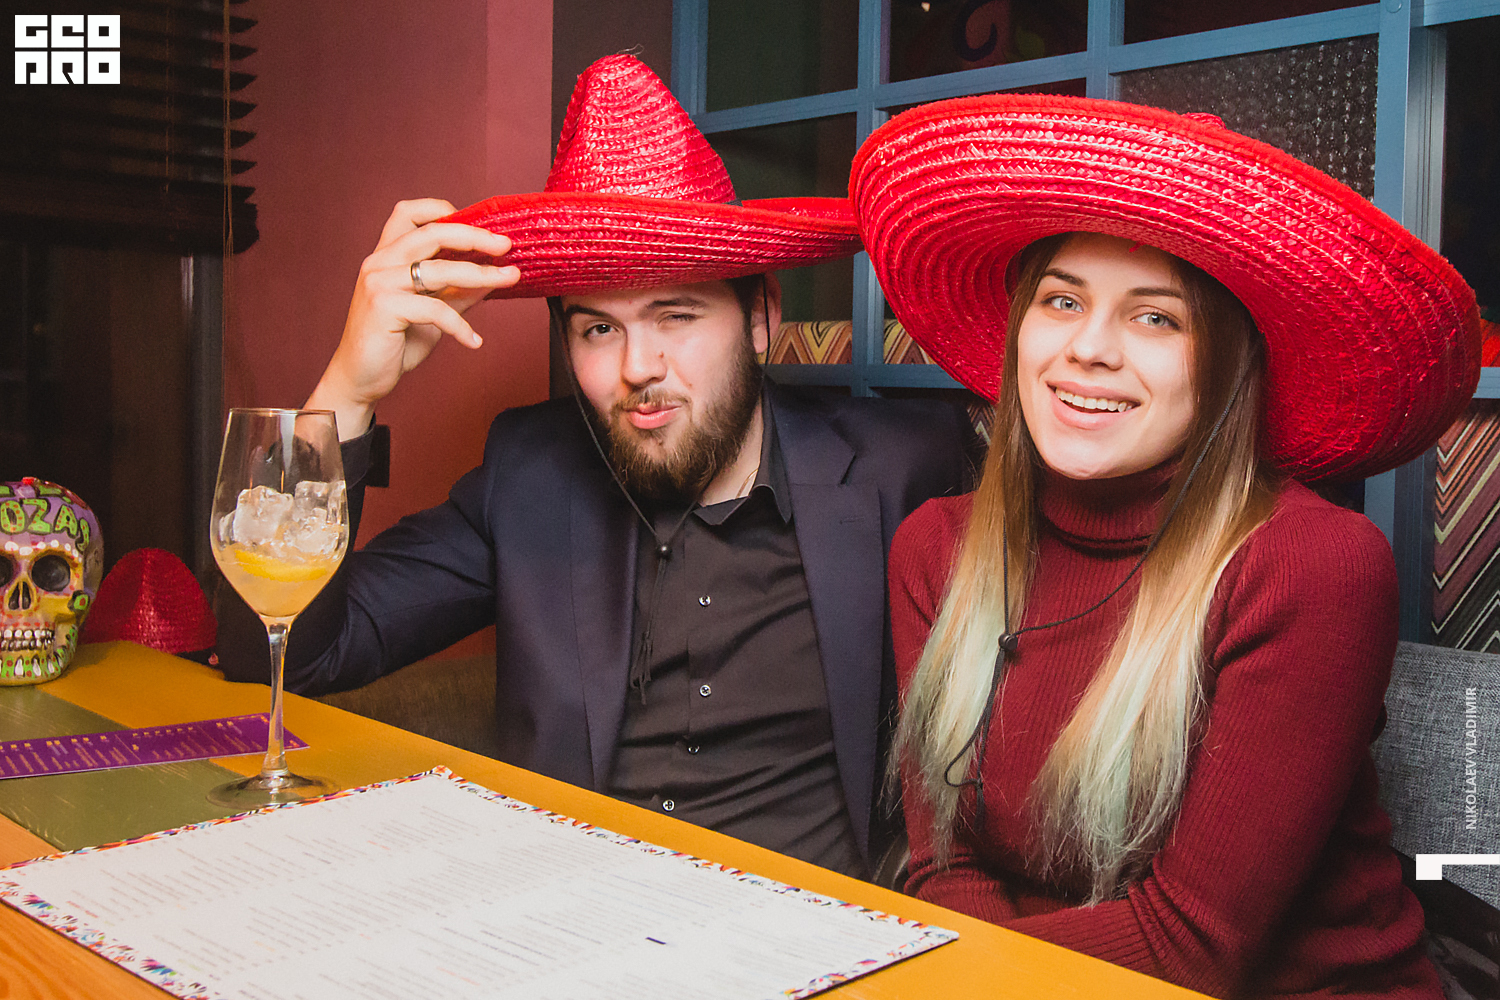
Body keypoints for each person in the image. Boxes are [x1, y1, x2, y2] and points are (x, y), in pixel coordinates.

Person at [218, 56, 970, 880]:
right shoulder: (530, 477)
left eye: (675, 314)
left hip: (814, 925)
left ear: (760, 317)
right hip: (570, 918)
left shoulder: (905, 470)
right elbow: (288, 653)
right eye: (598, 330)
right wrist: (348, 391)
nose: (637, 367)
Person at [850, 96, 1480, 995]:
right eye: (1062, 299)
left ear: (1229, 366)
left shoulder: (1311, 564)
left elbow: (1193, 946)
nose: (1089, 349)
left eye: (1156, 318)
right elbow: (944, 867)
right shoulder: (936, 548)